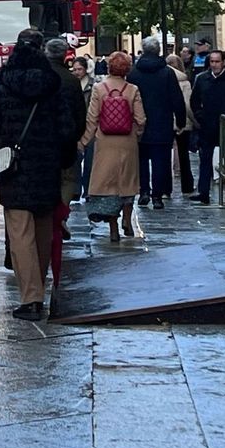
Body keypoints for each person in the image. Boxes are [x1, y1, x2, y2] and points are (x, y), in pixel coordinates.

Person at [0, 28, 77, 320]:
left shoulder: (2, 81)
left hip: (14, 167)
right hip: (46, 165)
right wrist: (64, 160)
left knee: (20, 233)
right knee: (44, 231)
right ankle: (41, 291)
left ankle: (30, 297)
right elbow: (66, 128)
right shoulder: (53, 82)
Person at [79, 51, 146, 243]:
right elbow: (141, 119)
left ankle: (114, 228)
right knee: (128, 182)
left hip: (105, 142)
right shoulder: (132, 89)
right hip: (127, 141)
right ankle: (127, 218)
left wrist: (84, 141)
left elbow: (92, 118)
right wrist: (137, 134)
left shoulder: (99, 89)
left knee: (109, 186)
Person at [44, 37, 87, 272]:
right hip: (66, 141)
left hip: (43, 143)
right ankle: (61, 212)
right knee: (68, 179)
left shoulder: (41, 77)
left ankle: (51, 215)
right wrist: (75, 136)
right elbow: (80, 114)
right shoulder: (71, 81)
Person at [127, 38, 184, 210]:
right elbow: (176, 98)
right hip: (162, 122)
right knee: (161, 161)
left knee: (141, 160)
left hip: (139, 123)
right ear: (159, 51)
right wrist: (180, 121)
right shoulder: (167, 72)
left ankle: (144, 191)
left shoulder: (134, 73)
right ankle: (157, 195)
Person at [190, 50, 225, 204]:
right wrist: (200, 116)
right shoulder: (202, 79)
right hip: (208, 125)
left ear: (223, 62)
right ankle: (203, 191)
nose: (214, 65)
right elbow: (194, 100)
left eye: (217, 61)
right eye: (212, 62)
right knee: (205, 159)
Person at [166, 52, 196, 197]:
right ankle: (187, 186)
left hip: (165, 121)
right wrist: (194, 121)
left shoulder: (162, 79)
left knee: (164, 155)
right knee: (184, 155)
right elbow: (187, 104)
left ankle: (165, 188)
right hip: (182, 121)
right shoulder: (185, 81)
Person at [72, 53, 95, 200]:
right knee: (75, 159)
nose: (76, 72)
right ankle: (76, 190)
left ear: (85, 69)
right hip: (75, 127)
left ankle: (88, 189)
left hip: (89, 126)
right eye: (74, 69)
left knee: (90, 160)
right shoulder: (71, 84)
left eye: (79, 69)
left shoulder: (93, 85)